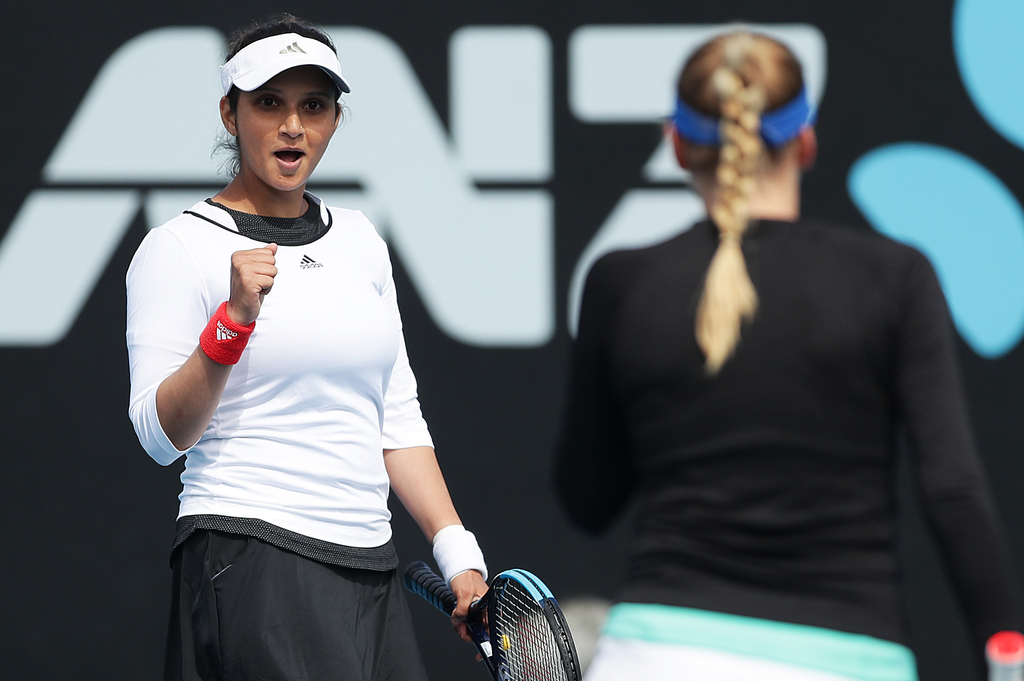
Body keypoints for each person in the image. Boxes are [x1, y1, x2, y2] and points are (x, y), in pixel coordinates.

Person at [555, 30, 1020, 681]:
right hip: (850, 657)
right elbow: (953, 488)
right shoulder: (895, 277)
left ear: (678, 144)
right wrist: (1005, 653)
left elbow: (588, 498)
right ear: (805, 141)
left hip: (657, 657)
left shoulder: (620, 282)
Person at [126, 14, 487, 681]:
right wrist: (230, 325)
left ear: (333, 121)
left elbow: (396, 414)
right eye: (269, 103)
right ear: (230, 115)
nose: (293, 125)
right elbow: (157, 434)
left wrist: (457, 551)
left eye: (313, 106)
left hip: (368, 566)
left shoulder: (359, 240)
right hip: (249, 554)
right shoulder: (178, 248)